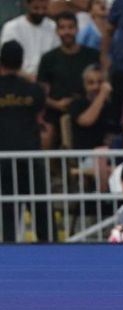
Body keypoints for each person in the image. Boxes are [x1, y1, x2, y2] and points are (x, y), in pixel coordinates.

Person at [0, 40, 49, 242]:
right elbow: (40, 116)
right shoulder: (34, 90)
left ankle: (9, 253)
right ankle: (50, 249)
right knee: (40, 208)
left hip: (4, 158)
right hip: (31, 156)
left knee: (9, 209)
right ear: (21, 62)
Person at [37, 11, 99, 145]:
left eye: (70, 27)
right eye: (63, 28)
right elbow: (41, 93)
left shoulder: (92, 55)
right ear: (57, 31)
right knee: (46, 136)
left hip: (86, 110)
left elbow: (99, 85)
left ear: (77, 29)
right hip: (55, 112)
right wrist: (57, 104)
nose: (67, 32)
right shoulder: (48, 59)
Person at [0, 0, 58, 77]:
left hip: (46, 79)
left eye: (44, 8)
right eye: (36, 8)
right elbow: (6, 63)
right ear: (27, 5)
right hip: (17, 80)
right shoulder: (11, 27)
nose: (40, 12)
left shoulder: (53, 27)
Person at [69, 64, 114, 149]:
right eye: (91, 83)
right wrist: (103, 94)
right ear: (84, 85)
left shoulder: (110, 105)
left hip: (110, 153)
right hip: (86, 154)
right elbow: (87, 121)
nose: (95, 87)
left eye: (100, 82)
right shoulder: (77, 103)